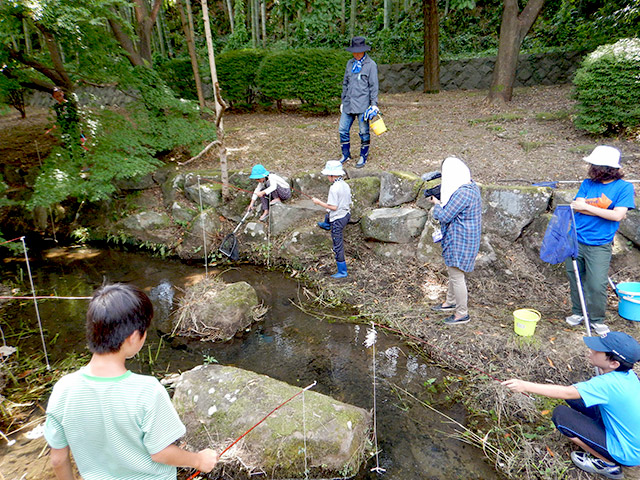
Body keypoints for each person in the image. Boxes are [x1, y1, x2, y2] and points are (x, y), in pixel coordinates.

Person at [44, 283, 219, 480]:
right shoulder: (148, 391)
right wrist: (198, 460)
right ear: (134, 337)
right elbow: (161, 453)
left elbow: (58, 459)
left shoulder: (63, 389)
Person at [502, 331, 640, 479]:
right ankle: (594, 434)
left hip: (627, 452)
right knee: (576, 398)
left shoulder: (607, 384)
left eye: (598, 350)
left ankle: (607, 464)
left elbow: (566, 393)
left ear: (614, 363)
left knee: (561, 416)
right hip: (627, 435)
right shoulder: (627, 375)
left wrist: (524, 386)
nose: (591, 350)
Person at [565, 146, 635, 335]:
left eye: (594, 165)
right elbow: (577, 207)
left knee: (596, 283)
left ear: (607, 168)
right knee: (576, 278)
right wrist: (602, 211)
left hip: (600, 244)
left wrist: (588, 207)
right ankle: (578, 312)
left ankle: (596, 318)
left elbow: (617, 216)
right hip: (576, 239)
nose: (590, 168)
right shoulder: (588, 184)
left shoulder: (624, 188)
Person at [428, 156, 482, 325]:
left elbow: (444, 216)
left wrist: (436, 203)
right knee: (453, 272)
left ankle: (461, 314)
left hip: (461, 240)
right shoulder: (471, 186)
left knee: (457, 276)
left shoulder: (462, 193)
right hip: (466, 237)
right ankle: (449, 302)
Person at [339, 36, 379, 169]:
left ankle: (363, 155)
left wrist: (374, 104)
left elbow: (374, 86)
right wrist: (343, 100)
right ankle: (345, 154)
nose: (356, 54)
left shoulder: (371, 65)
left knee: (363, 131)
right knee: (343, 129)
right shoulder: (349, 64)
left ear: (363, 51)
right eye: (354, 51)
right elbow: (345, 83)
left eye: (359, 51)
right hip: (349, 103)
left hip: (363, 104)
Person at [312, 160, 352, 278]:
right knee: (328, 214)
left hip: (338, 219)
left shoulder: (334, 188)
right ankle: (326, 224)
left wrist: (319, 202)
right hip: (346, 214)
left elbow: (333, 207)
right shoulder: (345, 184)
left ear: (331, 175)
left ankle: (342, 271)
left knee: (337, 244)